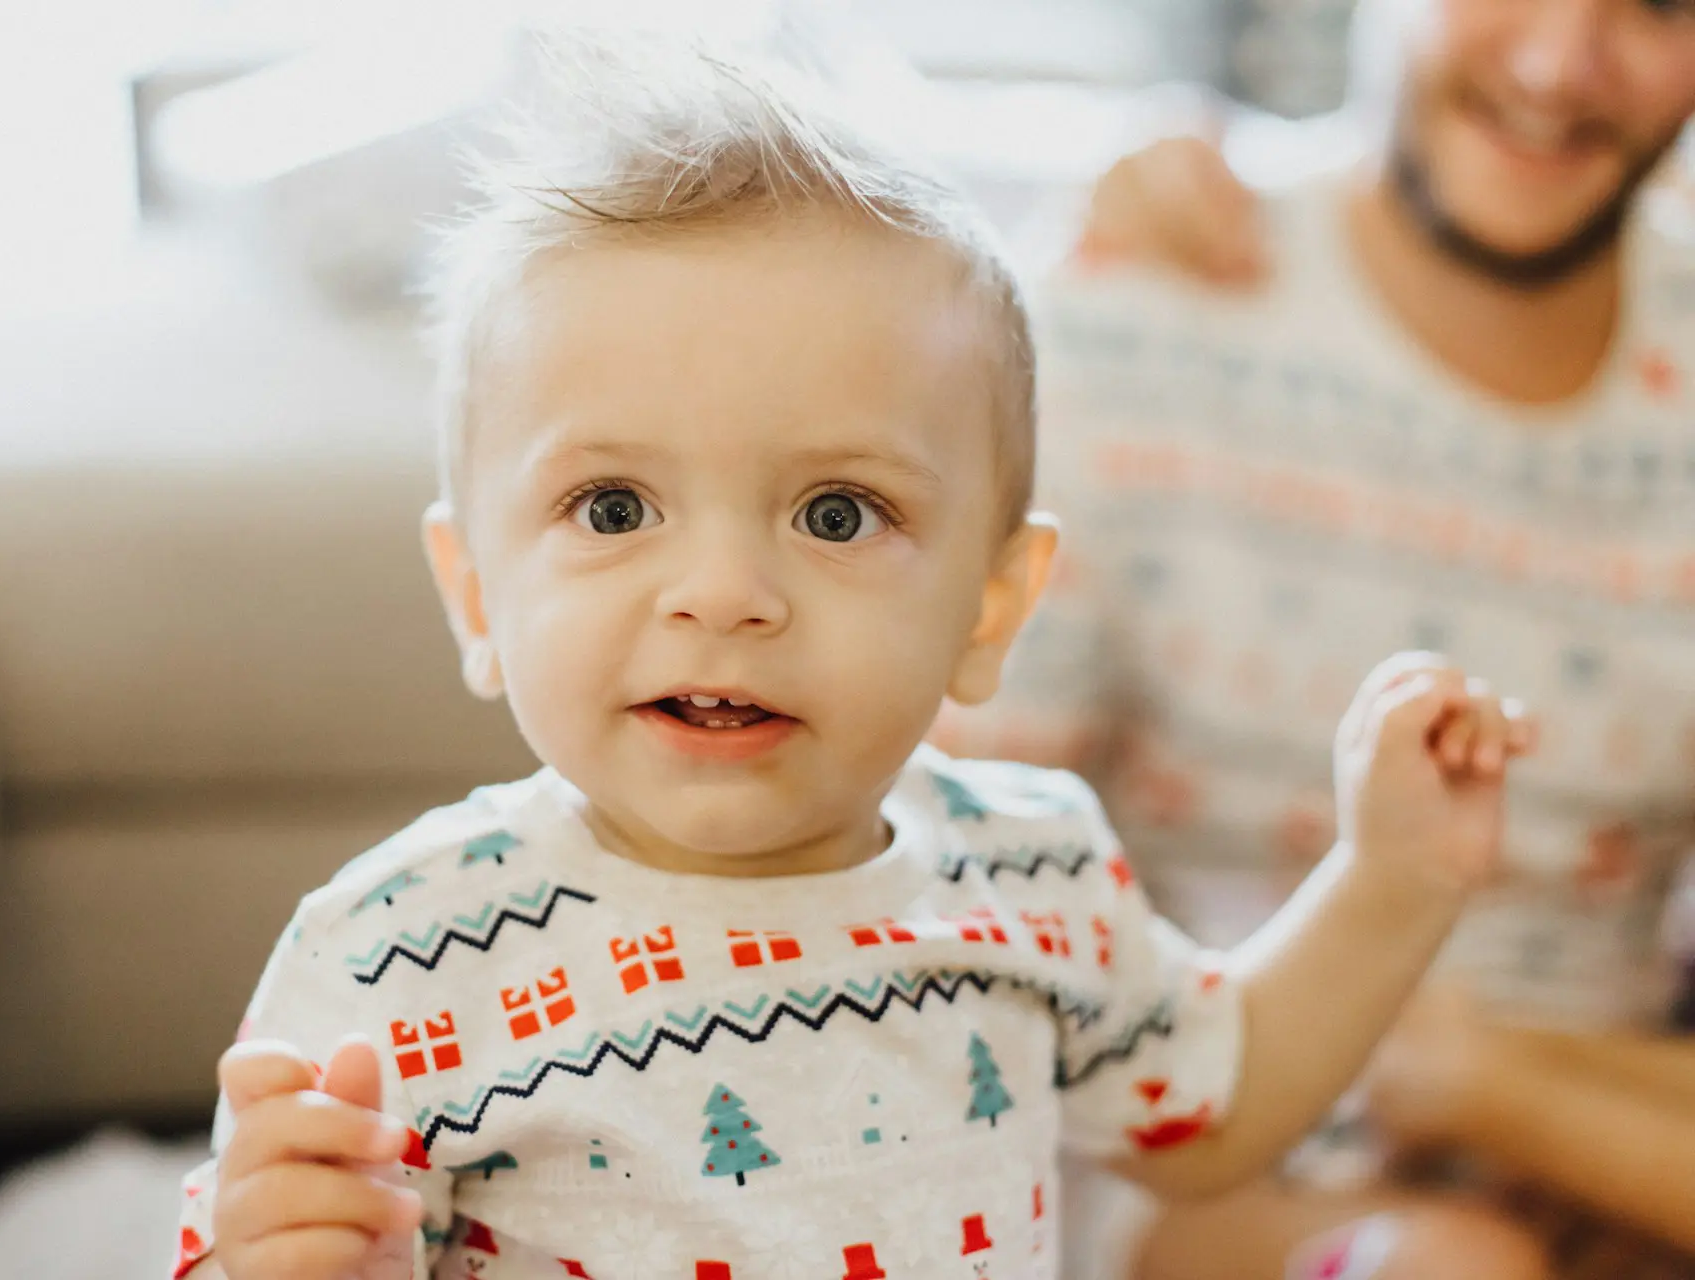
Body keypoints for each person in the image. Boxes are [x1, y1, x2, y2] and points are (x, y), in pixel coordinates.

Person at [165, 41, 1530, 1280]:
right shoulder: (403, 948)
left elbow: (1209, 1111)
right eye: (614, 508)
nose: (722, 594)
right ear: (475, 592)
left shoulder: (1030, 867)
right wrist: (282, 1255)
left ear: (990, 610)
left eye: (837, 515)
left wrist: (1395, 878)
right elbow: (261, 1231)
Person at [933, 1, 1695, 1277]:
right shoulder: (1141, 302)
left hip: (1586, 1144)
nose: (1562, 65)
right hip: (1182, 1147)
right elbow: (946, 887)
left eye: (1656, 5)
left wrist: (1490, 1084)